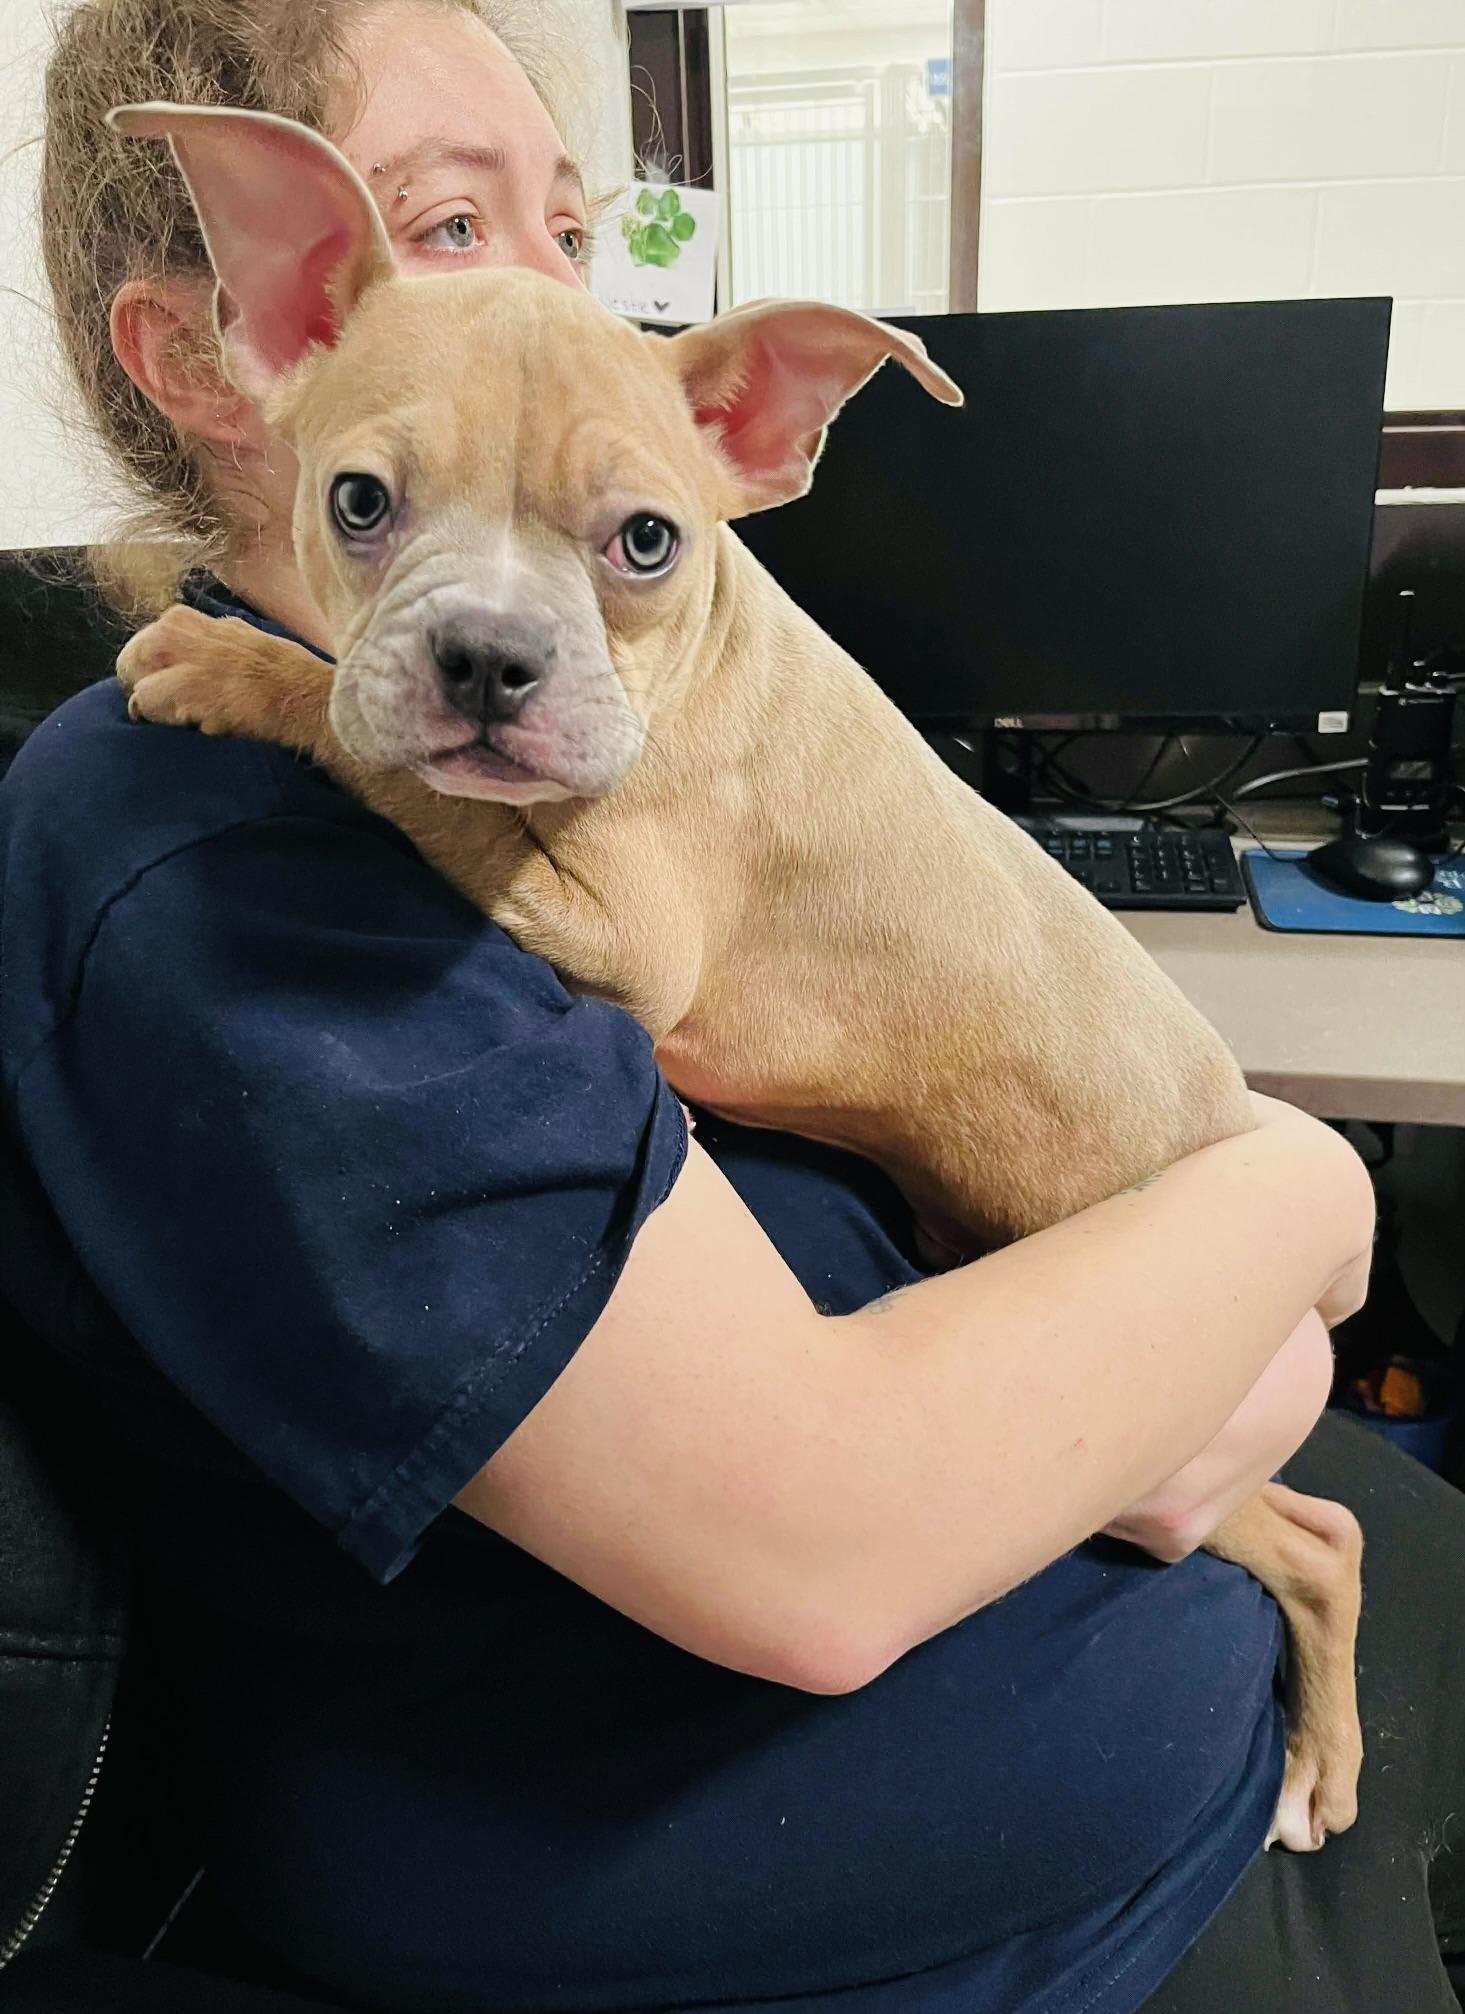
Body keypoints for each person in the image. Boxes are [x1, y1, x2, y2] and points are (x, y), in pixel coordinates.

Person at [0, 3, 1460, 2011]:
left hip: (1107, 1578)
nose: (533, 299)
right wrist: (1303, 1200)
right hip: (893, 1902)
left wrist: (1238, 1327)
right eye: (445, 230)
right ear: (240, 330)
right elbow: (827, 1543)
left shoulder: (525, 715)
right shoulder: (215, 851)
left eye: (570, 236)